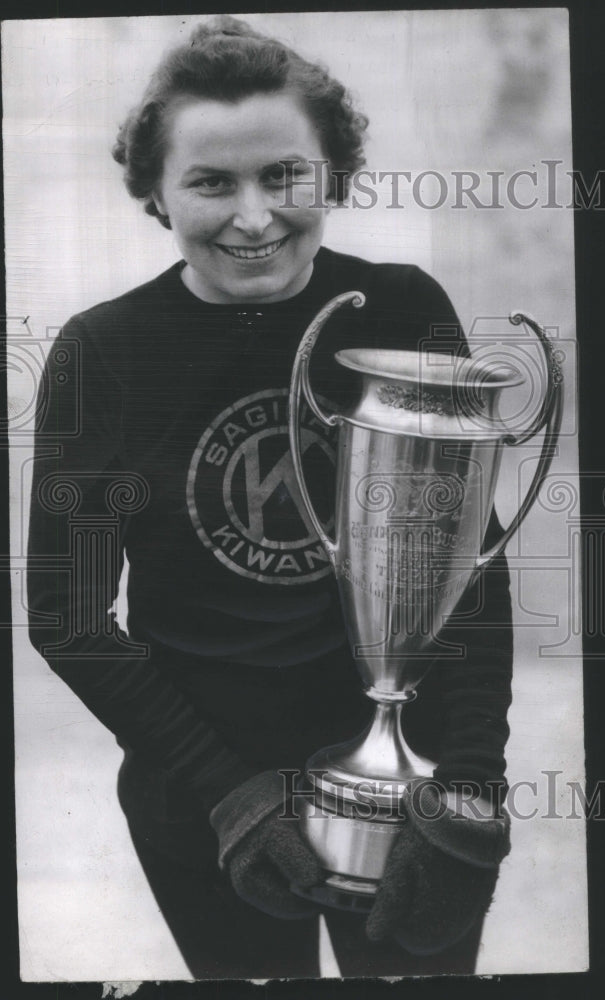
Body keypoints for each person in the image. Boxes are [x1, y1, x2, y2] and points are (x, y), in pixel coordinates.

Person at [27, 15, 513, 980]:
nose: (254, 216)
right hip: (205, 807)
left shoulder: (403, 308)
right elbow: (67, 614)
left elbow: (472, 573)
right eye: (212, 182)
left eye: (283, 175)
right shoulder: (105, 353)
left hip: (406, 805)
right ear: (157, 197)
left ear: (329, 174)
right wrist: (226, 794)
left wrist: (466, 788)